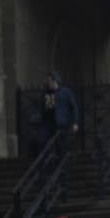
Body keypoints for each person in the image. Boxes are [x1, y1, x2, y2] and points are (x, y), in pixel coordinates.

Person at [42, 72, 80, 200]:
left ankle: (63, 188)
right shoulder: (48, 94)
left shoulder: (65, 92)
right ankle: (50, 185)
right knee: (50, 155)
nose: (47, 83)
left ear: (54, 80)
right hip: (51, 128)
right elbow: (46, 112)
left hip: (62, 128)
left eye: (49, 80)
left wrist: (75, 122)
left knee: (62, 155)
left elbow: (74, 107)